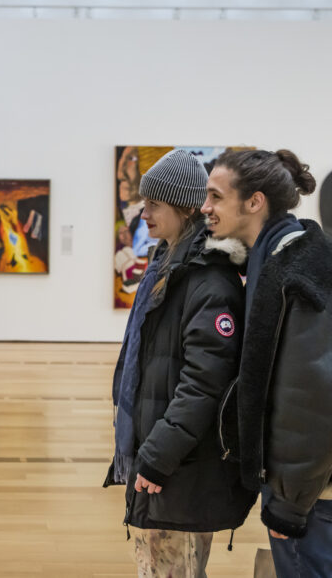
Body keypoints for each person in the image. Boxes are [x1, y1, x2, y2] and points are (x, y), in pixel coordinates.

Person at [202, 149, 332, 578]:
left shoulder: (298, 274)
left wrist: (290, 504)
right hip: (308, 476)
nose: (205, 207)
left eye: (215, 196)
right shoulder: (280, 257)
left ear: (254, 202)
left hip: (313, 484)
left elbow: (313, 403)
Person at [105, 150, 256, 578]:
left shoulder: (208, 280)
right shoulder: (166, 265)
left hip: (178, 467)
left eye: (154, 203)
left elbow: (204, 385)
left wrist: (156, 456)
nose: (143, 212)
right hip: (163, 459)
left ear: (186, 207)